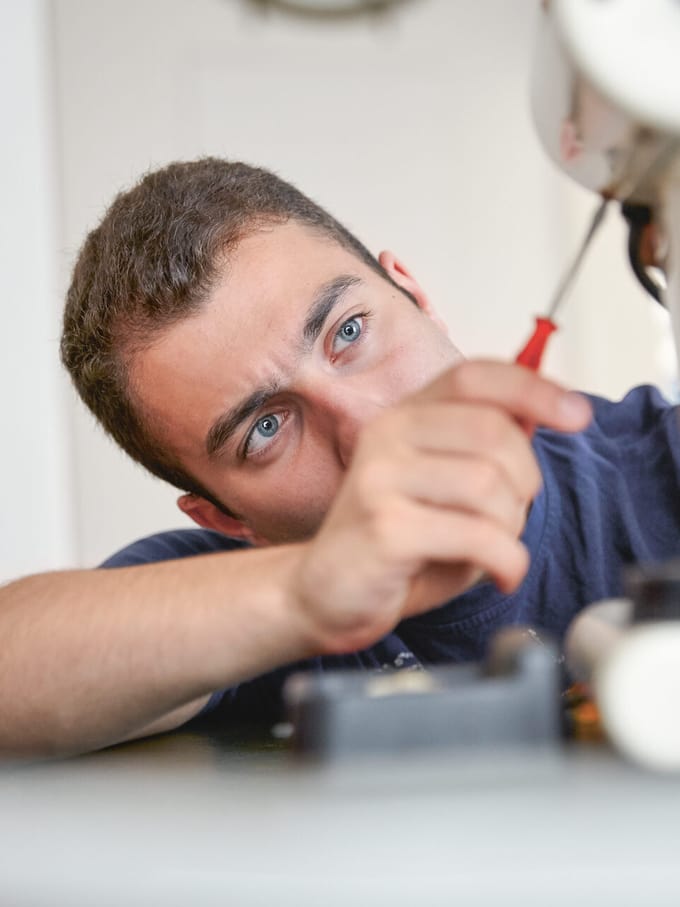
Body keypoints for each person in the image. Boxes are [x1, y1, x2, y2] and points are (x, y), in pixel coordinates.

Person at [2, 158, 679, 759]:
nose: (368, 429)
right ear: (230, 518)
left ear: (415, 297)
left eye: (348, 331)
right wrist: (303, 593)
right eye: (265, 430)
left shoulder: (661, 458)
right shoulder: (235, 599)